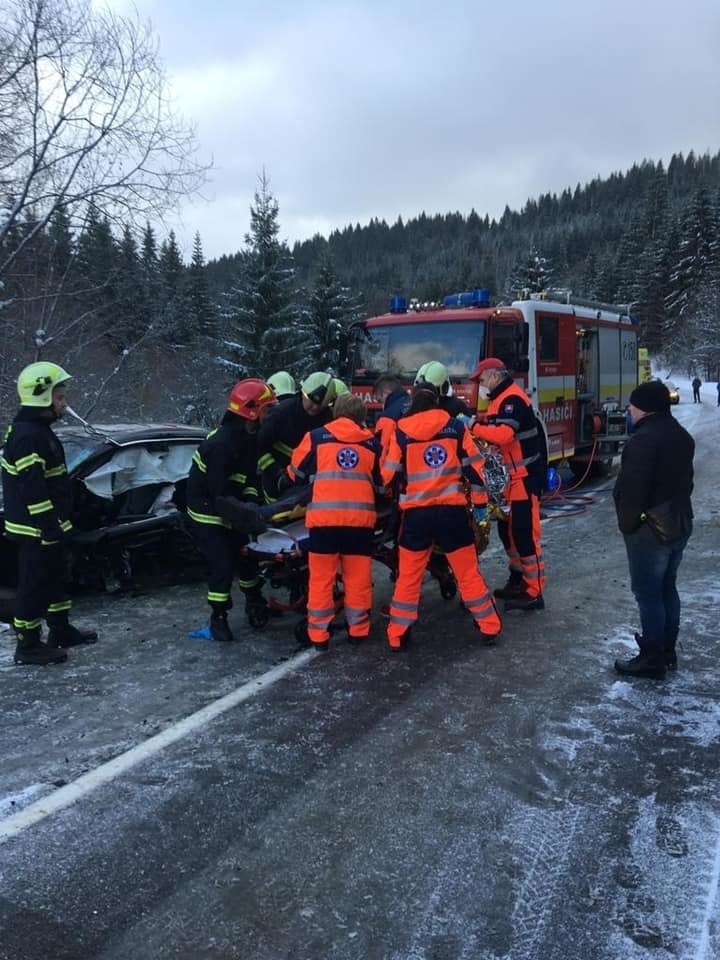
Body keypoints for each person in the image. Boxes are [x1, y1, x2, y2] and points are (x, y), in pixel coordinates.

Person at [381, 382, 501, 650]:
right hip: (452, 514)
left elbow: (388, 475)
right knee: (468, 573)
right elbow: (476, 471)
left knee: (409, 576)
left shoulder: (401, 431)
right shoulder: (456, 429)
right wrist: (480, 507)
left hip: (416, 517)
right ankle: (489, 626)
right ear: (437, 400)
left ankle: (398, 634)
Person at [2, 361, 98, 665]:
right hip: (36, 528)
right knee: (34, 585)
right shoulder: (29, 435)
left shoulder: (37, 430)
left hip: (48, 524)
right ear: (41, 397)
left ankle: (59, 629)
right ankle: (27, 645)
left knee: (55, 578)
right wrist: (48, 526)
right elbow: (33, 489)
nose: (63, 403)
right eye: (58, 397)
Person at [613, 380, 694, 679]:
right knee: (667, 587)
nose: (629, 410)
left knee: (648, 593)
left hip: (650, 530)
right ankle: (666, 650)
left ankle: (652, 658)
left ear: (645, 408)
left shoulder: (643, 440)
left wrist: (629, 524)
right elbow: (687, 482)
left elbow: (633, 490)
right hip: (678, 522)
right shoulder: (682, 436)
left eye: (632, 405)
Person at [288, 393, 382, 650]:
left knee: (321, 580)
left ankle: (319, 636)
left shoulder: (316, 438)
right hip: (359, 524)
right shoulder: (371, 444)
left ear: (335, 412)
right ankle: (358, 630)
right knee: (358, 579)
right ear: (361, 416)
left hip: (323, 523)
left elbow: (295, 473)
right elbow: (383, 482)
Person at [186, 379, 277, 641]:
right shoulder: (221, 445)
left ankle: (254, 600)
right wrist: (249, 515)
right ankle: (218, 619)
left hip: (229, 505)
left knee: (247, 556)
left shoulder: (249, 438)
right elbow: (219, 496)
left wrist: (252, 504)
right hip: (206, 511)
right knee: (222, 562)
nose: (269, 415)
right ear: (251, 411)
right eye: (266, 409)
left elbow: (248, 480)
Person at [469, 358, 545, 611]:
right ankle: (518, 579)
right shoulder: (499, 400)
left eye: (481, 380)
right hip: (509, 479)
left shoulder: (512, 399)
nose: (480, 385)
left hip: (524, 478)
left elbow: (503, 435)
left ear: (494, 376)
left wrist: (474, 427)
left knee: (525, 533)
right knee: (508, 532)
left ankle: (534, 591)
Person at [257, 372, 336, 503]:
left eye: (321, 405)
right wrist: (275, 472)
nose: (315, 407)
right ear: (303, 392)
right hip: (275, 480)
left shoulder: (328, 419)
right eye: (312, 400)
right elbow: (259, 445)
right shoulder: (281, 414)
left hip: (309, 484)